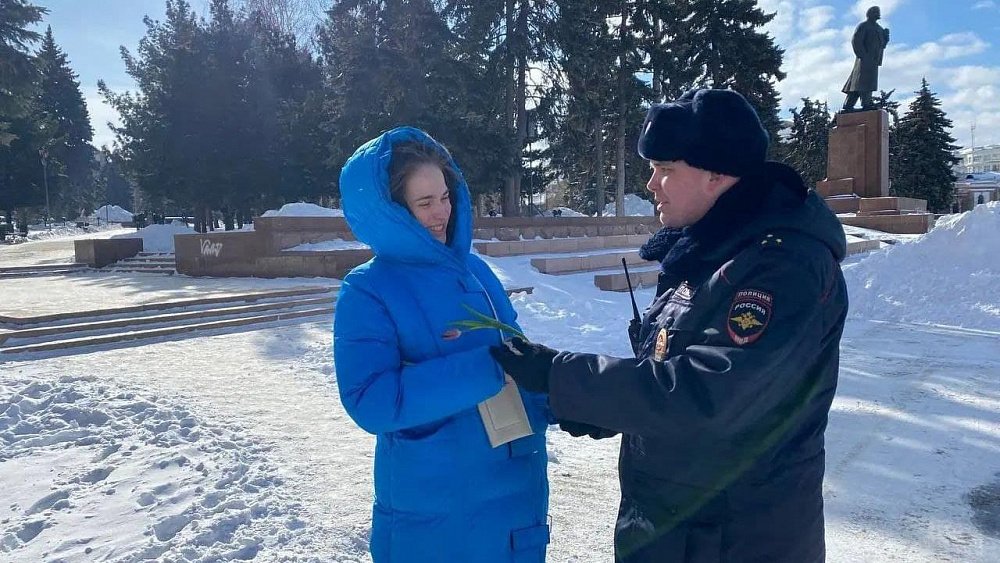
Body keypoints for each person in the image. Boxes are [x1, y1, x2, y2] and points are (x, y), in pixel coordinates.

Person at [491, 88, 849, 562]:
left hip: (736, 539)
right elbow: (666, 375)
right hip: (680, 530)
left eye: (665, 169)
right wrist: (588, 407)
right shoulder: (710, 251)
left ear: (715, 174)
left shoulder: (782, 267)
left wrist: (561, 375)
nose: (650, 184)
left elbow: (707, 396)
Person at [334, 126, 552, 562]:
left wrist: (562, 394)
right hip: (436, 508)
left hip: (515, 491)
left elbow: (517, 357)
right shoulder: (368, 289)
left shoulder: (477, 271)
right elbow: (371, 400)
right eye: (425, 202)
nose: (442, 212)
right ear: (392, 211)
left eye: (446, 197)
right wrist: (486, 368)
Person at [842, 6, 890, 111]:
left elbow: (882, 45)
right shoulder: (864, 26)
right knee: (862, 82)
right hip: (864, 59)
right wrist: (862, 55)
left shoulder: (879, 29)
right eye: (876, 12)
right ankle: (865, 104)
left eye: (878, 12)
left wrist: (886, 38)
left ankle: (850, 105)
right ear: (870, 14)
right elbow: (856, 40)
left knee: (863, 83)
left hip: (874, 60)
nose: (878, 14)